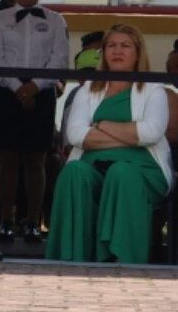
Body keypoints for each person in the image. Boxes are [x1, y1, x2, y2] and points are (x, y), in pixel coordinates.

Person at [48, 25, 171, 263]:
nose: (117, 51)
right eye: (112, 46)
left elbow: (151, 133)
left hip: (142, 170)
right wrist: (128, 133)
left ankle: (122, 260)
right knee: (73, 171)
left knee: (121, 172)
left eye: (125, 45)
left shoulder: (154, 90)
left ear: (138, 52)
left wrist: (102, 125)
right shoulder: (88, 90)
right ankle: (71, 259)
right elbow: (75, 136)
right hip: (93, 166)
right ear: (103, 53)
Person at [0, 0, 68, 244]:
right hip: (6, 91)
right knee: (7, 158)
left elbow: (59, 59)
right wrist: (19, 88)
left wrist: (35, 86)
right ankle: (6, 220)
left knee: (36, 159)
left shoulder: (56, 20)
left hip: (42, 91)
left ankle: (33, 221)